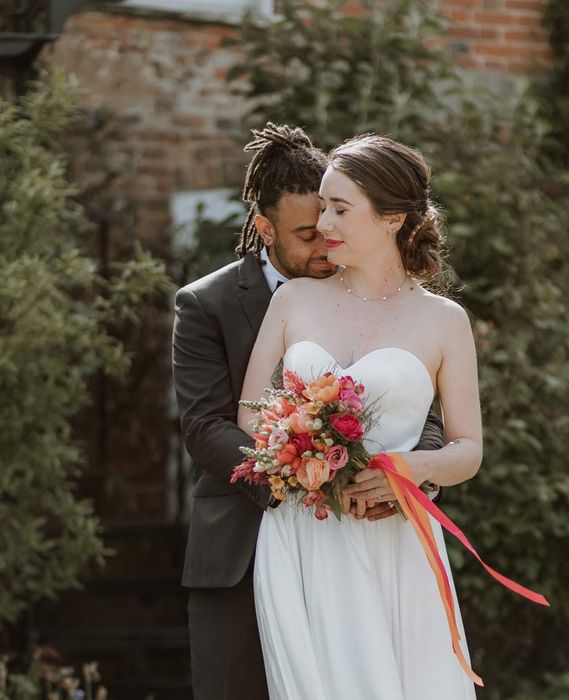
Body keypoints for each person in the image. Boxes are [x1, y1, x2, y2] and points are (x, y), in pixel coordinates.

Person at [172, 124, 446, 700]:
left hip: (361, 546)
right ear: (265, 228)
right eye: (306, 232)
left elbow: (411, 403)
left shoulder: (374, 294)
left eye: (330, 217)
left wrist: (401, 479)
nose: (325, 242)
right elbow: (204, 425)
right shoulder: (208, 303)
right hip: (240, 549)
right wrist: (301, 474)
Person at [239, 134, 482, 699]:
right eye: (324, 206)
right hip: (303, 537)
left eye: (340, 208)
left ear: (393, 218)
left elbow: (467, 449)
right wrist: (303, 453)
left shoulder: (444, 321)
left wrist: (407, 468)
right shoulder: (294, 300)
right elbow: (250, 419)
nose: (324, 221)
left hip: (394, 542)